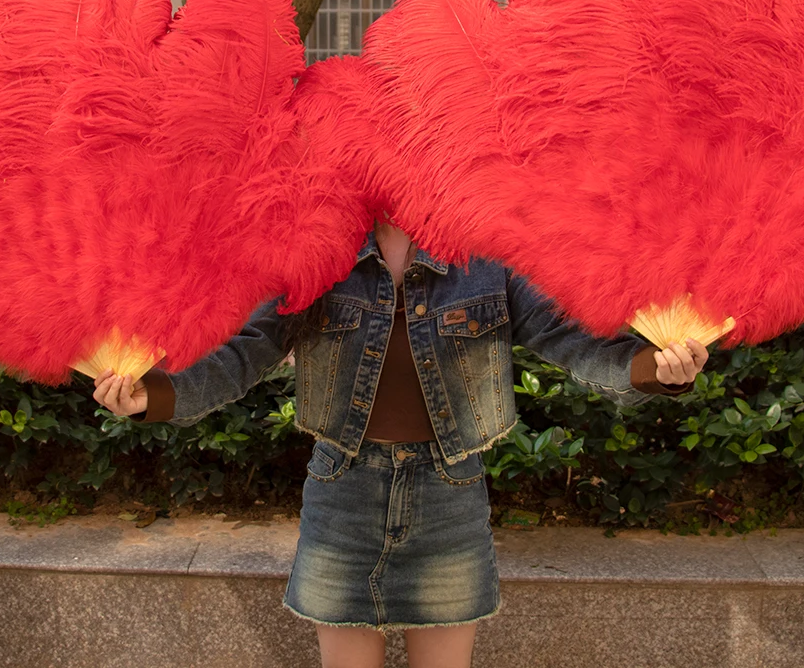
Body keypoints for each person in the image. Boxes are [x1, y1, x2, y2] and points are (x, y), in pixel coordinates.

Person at [94, 220, 709, 668]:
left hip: (450, 491)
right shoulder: (318, 254)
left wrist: (653, 369)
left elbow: (567, 338)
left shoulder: (484, 254)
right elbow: (245, 353)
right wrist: (159, 396)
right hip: (343, 490)